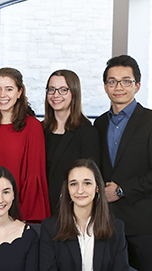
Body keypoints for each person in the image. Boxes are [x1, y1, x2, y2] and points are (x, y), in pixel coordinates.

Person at [94, 54, 152, 271]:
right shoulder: (99, 124)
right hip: (108, 225)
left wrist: (121, 191)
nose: (118, 87)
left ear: (137, 85)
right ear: (105, 86)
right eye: (112, 81)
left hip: (144, 226)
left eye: (125, 81)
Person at [0, 68, 49, 222]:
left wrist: (20, 219)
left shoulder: (32, 127)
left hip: (19, 215)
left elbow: (34, 177)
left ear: (19, 92)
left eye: (9, 89)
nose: (2, 95)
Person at [43, 69, 100, 214]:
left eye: (63, 90)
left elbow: (89, 178)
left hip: (71, 210)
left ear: (74, 93)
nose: (56, 95)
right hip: (42, 208)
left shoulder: (87, 132)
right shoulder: (40, 129)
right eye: (52, 89)